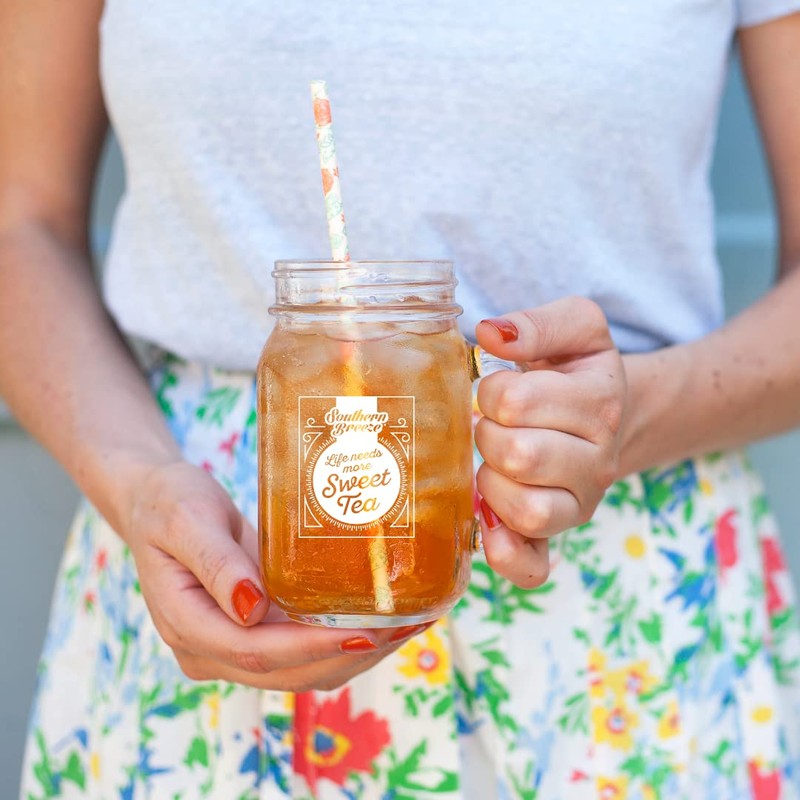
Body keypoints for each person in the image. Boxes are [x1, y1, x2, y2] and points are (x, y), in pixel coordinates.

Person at [3, 1, 800, 797]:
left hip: (626, 617)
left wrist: (636, 412)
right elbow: (19, 224)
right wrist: (139, 483)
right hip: (210, 564)